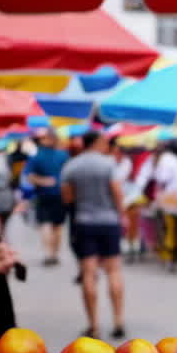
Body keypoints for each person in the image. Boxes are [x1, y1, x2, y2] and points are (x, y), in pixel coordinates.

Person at [61, 132, 126, 339]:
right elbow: (117, 192)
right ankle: (118, 321)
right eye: (105, 142)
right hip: (108, 222)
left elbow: (67, 197)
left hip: (84, 222)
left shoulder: (72, 166)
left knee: (88, 273)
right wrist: (121, 215)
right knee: (114, 270)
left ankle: (94, 325)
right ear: (97, 143)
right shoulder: (108, 165)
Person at [25, 132, 69, 266]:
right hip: (59, 194)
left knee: (45, 224)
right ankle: (54, 253)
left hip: (43, 194)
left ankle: (49, 253)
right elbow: (69, 175)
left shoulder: (36, 156)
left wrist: (43, 181)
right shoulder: (63, 155)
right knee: (57, 226)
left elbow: (29, 176)